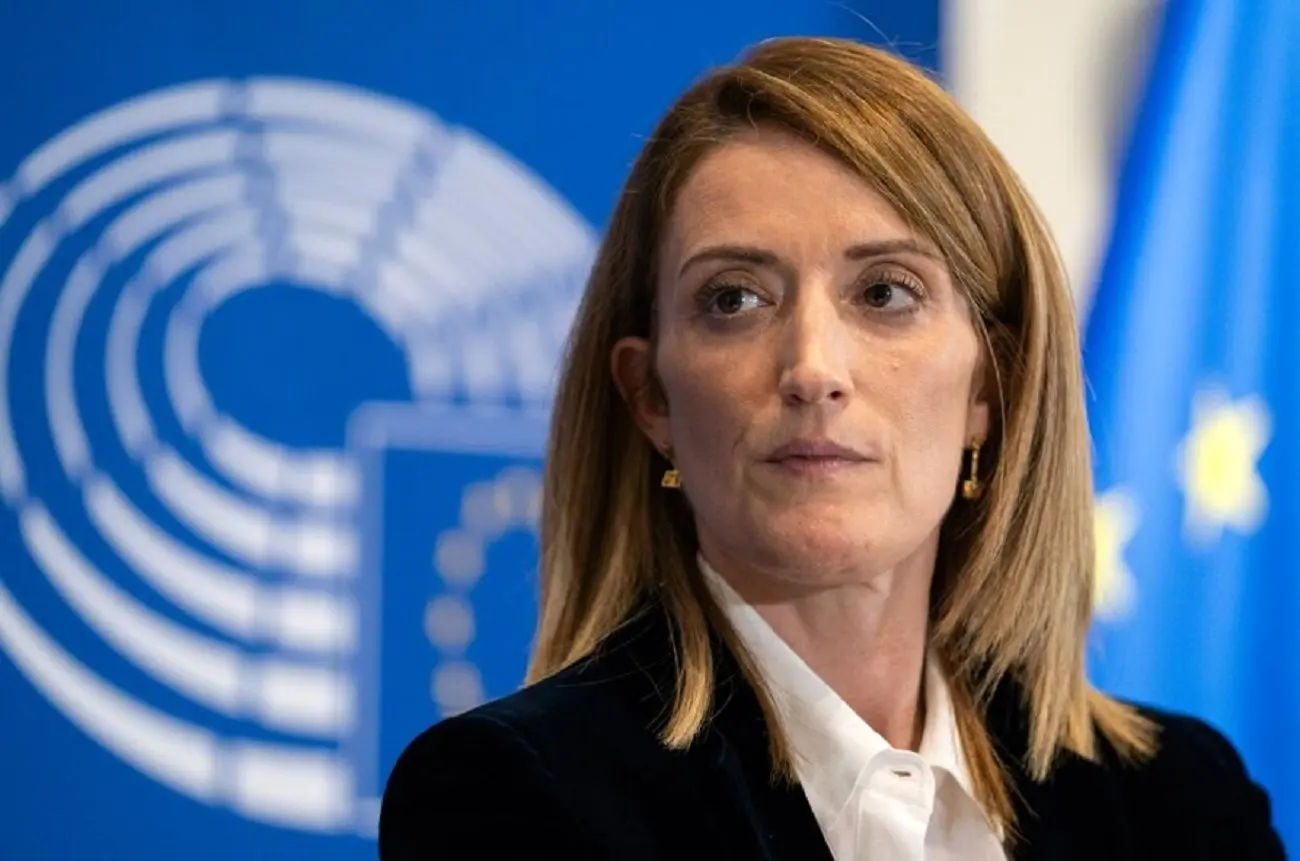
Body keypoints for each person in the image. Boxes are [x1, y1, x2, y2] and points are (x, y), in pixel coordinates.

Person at [378, 37, 1285, 860]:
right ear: (651, 396)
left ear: (991, 388)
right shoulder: (513, 797)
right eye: (735, 299)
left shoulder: (1180, 803)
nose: (813, 368)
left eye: (885, 293)